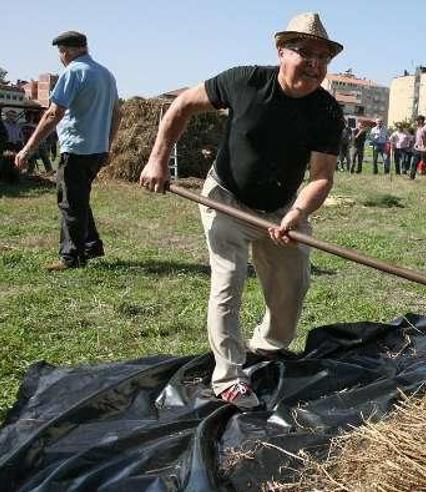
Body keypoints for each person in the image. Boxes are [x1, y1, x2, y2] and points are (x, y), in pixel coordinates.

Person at [139, 12, 344, 410]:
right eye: (306, 53)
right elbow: (182, 105)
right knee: (228, 281)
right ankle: (229, 375)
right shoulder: (244, 81)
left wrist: (298, 212)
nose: (316, 64)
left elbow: (321, 176)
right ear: (281, 51)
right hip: (226, 199)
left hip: (282, 208)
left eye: (324, 57)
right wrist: (158, 160)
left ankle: (266, 345)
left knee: (292, 284)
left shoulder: (326, 111)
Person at [15, 31, 121, 271]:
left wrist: (28, 149)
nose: (60, 58)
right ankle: (91, 246)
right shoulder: (106, 74)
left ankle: (72, 257)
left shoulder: (73, 72)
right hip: (97, 149)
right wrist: (108, 144)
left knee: (70, 203)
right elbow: (118, 113)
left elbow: (53, 113)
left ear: (68, 51)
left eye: (61, 53)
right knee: (79, 197)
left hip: (76, 148)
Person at [410, 115, 426, 179]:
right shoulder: (418, 128)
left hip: (424, 149)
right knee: (414, 163)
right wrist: (415, 144)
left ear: (420, 120)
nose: (416, 122)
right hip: (418, 148)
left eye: (417, 121)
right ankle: (412, 177)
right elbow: (418, 138)